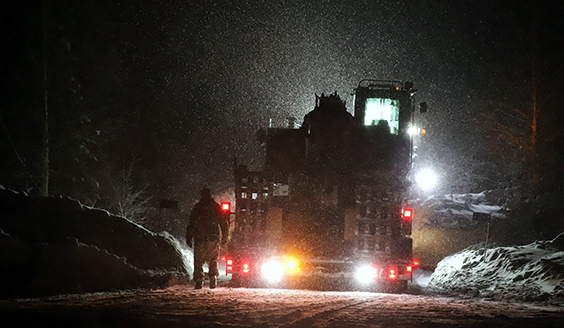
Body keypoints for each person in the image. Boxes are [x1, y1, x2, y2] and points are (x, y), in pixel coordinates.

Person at [186, 188, 229, 289]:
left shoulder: (197, 208)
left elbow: (191, 224)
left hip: (200, 238)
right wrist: (224, 238)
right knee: (213, 259)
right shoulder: (216, 207)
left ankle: (199, 280)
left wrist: (189, 237)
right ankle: (213, 278)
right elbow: (223, 224)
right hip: (213, 237)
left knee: (198, 260)